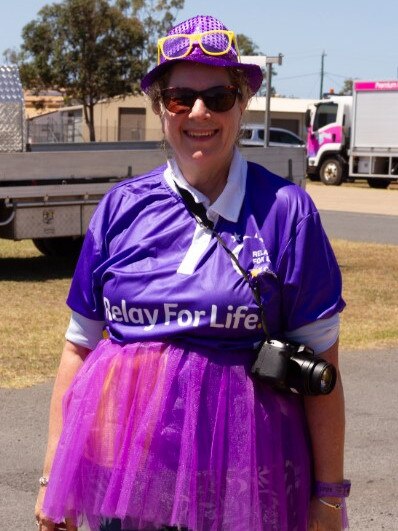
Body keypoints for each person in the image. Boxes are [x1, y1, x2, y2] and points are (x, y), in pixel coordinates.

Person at [35, 14, 350, 531]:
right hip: (127, 480)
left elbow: (322, 368)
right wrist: (54, 475)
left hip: (243, 487)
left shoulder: (288, 211)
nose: (199, 112)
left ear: (241, 104)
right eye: (181, 97)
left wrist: (330, 496)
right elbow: (79, 347)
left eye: (218, 98)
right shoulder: (119, 208)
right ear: (162, 107)